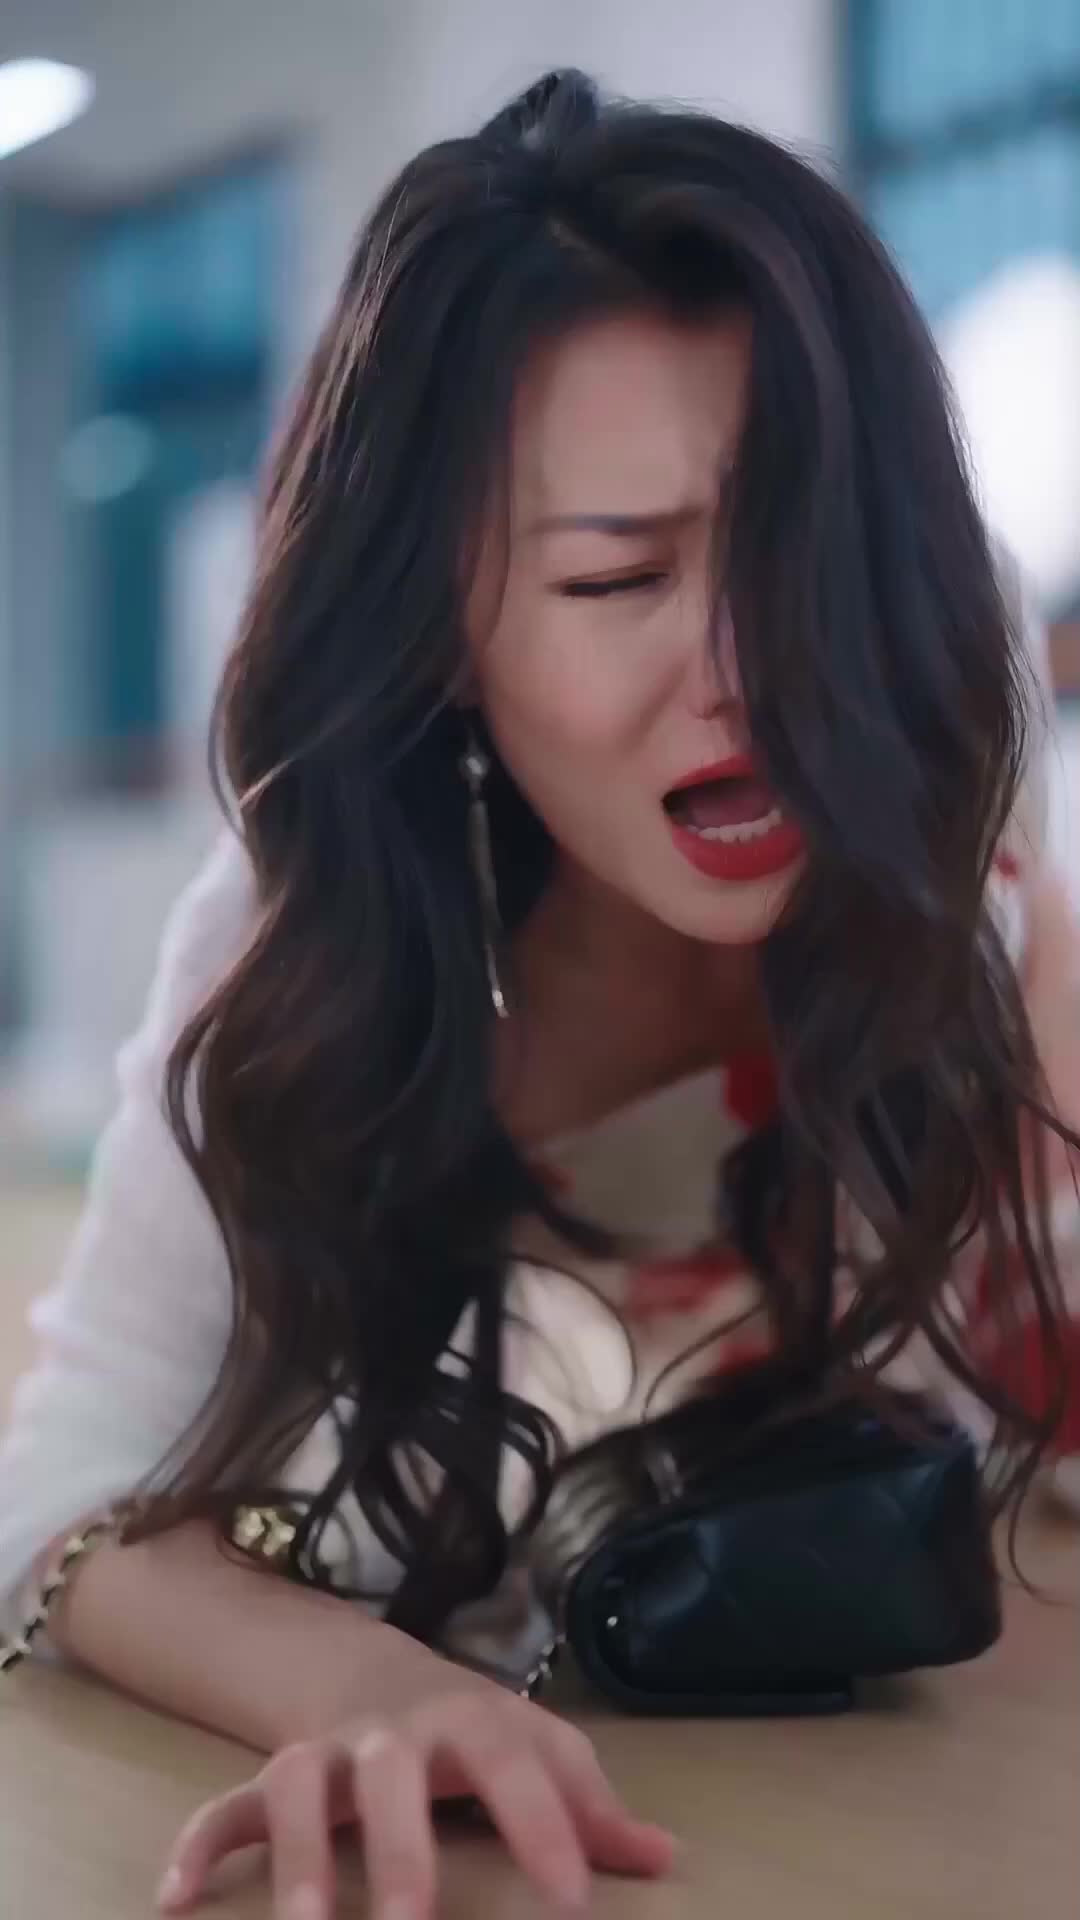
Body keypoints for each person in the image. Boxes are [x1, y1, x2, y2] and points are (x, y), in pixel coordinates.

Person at [2, 69, 1079, 1920]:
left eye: (807, 557)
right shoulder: (296, 947)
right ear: (446, 640)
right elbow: (57, 1502)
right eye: (618, 577)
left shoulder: (942, 729)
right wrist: (363, 1690)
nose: (755, 669)